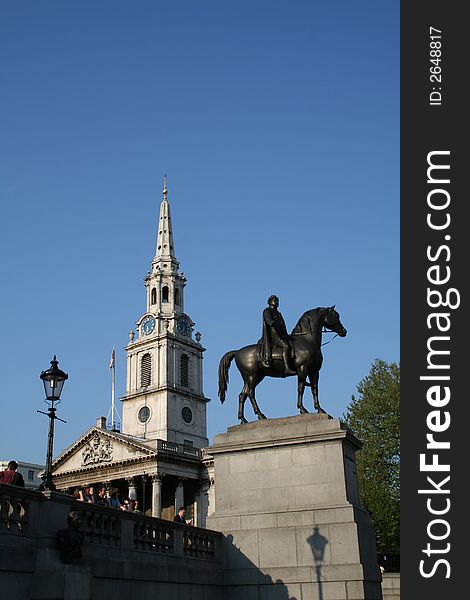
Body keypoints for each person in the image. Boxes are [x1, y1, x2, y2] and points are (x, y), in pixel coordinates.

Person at [259, 295, 296, 375]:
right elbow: (270, 322)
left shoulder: (278, 313)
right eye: (274, 300)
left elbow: (282, 325)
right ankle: (287, 368)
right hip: (273, 335)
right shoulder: (267, 311)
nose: (276, 302)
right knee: (286, 346)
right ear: (269, 302)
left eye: (277, 300)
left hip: (281, 335)